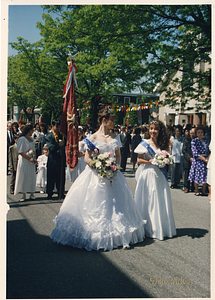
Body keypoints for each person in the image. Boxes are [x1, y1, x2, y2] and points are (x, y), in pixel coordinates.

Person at [50, 108, 146, 251]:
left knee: (116, 205)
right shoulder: (91, 138)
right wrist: (99, 167)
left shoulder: (116, 137)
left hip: (113, 174)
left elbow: (118, 155)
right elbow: (88, 158)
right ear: (104, 120)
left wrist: (115, 167)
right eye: (112, 120)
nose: (114, 123)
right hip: (95, 174)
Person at [134, 119, 176, 240]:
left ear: (160, 130)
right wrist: (150, 161)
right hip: (148, 174)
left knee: (160, 200)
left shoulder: (163, 144)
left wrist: (165, 160)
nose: (153, 131)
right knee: (149, 200)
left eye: (156, 129)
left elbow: (168, 157)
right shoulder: (144, 143)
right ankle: (149, 227)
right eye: (151, 129)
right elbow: (138, 160)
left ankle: (160, 227)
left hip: (160, 176)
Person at [14, 124, 36, 201]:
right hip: (24, 160)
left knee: (31, 176)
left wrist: (33, 157)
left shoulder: (31, 139)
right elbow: (20, 151)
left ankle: (32, 193)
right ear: (29, 130)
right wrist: (28, 158)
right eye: (32, 130)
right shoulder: (21, 139)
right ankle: (23, 194)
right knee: (24, 175)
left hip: (31, 160)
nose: (33, 132)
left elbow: (34, 149)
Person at [45, 119, 66, 200]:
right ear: (52, 126)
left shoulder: (62, 135)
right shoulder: (48, 136)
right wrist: (59, 145)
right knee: (51, 179)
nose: (58, 128)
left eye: (59, 126)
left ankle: (60, 193)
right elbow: (51, 148)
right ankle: (50, 193)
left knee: (60, 178)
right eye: (56, 126)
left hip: (60, 161)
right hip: (52, 161)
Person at [188, 125, 210, 196]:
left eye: (201, 132)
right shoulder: (194, 141)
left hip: (206, 159)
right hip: (198, 160)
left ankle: (204, 190)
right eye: (198, 132)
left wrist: (208, 158)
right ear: (196, 133)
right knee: (197, 175)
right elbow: (195, 152)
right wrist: (204, 159)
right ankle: (196, 190)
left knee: (205, 175)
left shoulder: (206, 141)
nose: (200, 133)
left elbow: (210, 150)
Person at [182, 128, 195, 193]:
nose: (192, 135)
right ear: (189, 134)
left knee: (194, 174)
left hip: (195, 159)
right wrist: (189, 158)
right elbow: (184, 151)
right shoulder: (186, 140)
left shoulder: (196, 141)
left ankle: (193, 187)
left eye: (193, 133)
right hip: (187, 160)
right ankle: (186, 187)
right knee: (187, 174)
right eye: (191, 133)